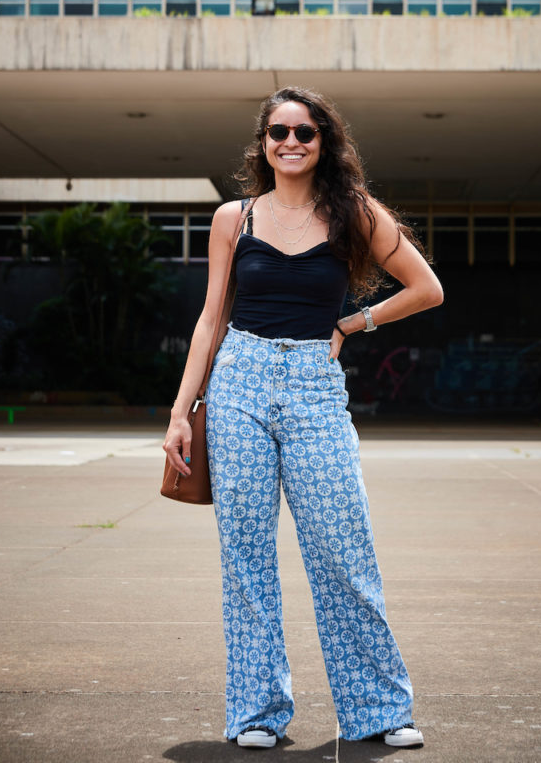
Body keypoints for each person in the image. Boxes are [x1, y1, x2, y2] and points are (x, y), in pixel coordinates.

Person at [163, 87, 444, 750]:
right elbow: (211, 319)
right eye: (278, 132)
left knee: (343, 550)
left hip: (316, 385)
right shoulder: (234, 218)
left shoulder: (354, 213)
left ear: (325, 142)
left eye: (305, 132)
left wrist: (356, 320)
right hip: (239, 384)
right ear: (262, 143)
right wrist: (180, 411)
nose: (291, 142)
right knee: (247, 557)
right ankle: (257, 713)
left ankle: (377, 710)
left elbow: (426, 288)